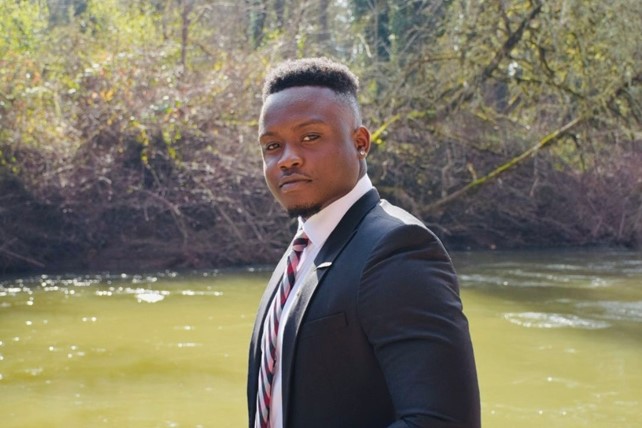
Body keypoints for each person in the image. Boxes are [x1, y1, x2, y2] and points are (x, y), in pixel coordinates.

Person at [247, 57, 480, 428]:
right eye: (272, 146)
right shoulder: (301, 253)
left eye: (310, 137)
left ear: (359, 142)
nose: (287, 159)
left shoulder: (398, 249)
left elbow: (441, 421)